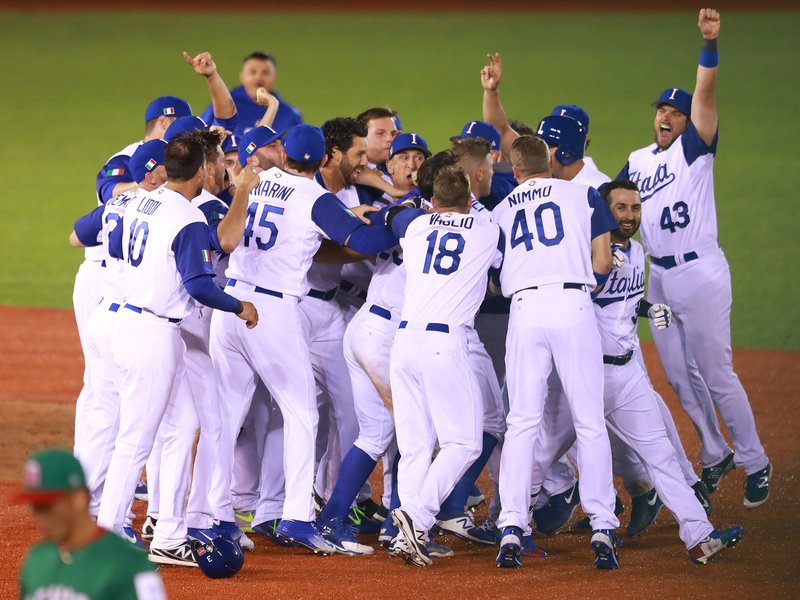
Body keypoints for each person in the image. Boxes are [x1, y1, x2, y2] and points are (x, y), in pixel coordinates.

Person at [209, 124, 397, 555]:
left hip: (231, 303)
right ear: (322, 159)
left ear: (286, 154)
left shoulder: (257, 180)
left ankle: (216, 515)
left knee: (227, 415)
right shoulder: (315, 198)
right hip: (272, 312)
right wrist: (395, 218)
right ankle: (296, 516)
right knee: (301, 413)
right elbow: (363, 240)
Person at [618, 8, 771, 507]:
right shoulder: (639, 162)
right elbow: (603, 199)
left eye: (675, 111)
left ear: (689, 122)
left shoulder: (696, 150)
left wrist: (709, 45)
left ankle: (756, 461)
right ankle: (714, 452)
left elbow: (705, 94)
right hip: (658, 284)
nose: (665, 116)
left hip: (701, 274)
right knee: (681, 378)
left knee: (716, 372)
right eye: (661, 109)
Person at [95, 131, 258, 568]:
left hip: (119, 321)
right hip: (152, 332)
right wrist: (240, 305)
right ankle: (107, 535)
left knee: (179, 426)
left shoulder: (132, 200)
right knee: (137, 439)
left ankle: (168, 531)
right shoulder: (185, 218)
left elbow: (86, 232)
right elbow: (200, 286)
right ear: (203, 171)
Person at [492, 136, 619, 570]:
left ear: (514, 169)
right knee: (589, 419)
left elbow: (493, 278)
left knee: (522, 421)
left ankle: (512, 525)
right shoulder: (583, 192)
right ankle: (602, 523)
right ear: (549, 160)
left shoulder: (502, 209)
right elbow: (602, 260)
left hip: (525, 310)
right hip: (573, 306)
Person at [386, 166, 503, 567]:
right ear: (468, 200)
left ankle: (405, 537)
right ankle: (417, 517)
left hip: (403, 342)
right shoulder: (485, 230)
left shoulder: (416, 228)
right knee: (464, 442)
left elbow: (396, 216)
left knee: (415, 445)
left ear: (432, 201)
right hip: (444, 342)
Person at [17, 449, 166, 599]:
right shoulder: (37, 560)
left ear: (79, 499)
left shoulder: (128, 565)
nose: (41, 517)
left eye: (48, 506)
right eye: (36, 507)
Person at [201, 51, 302, 136]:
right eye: (253, 72)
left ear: (274, 77)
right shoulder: (225, 106)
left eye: (266, 73)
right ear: (242, 76)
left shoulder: (289, 115)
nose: (258, 78)